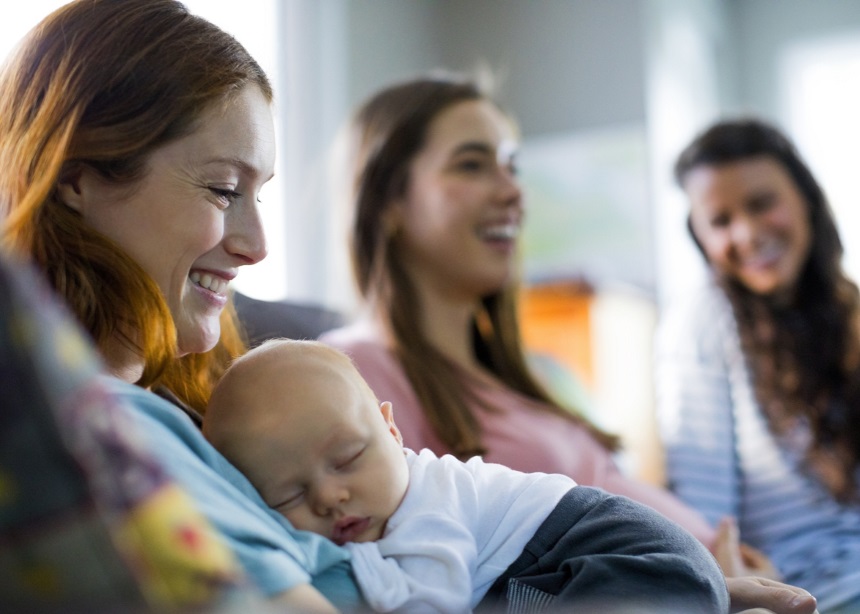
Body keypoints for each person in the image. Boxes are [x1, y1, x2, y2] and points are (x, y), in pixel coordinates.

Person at [319, 74, 819, 614]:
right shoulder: (351, 373)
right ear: (387, 200)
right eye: (471, 163)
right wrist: (710, 589)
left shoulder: (540, 377)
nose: (513, 191)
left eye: (512, 166)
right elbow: (405, 577)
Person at [0, 1, 361, 611]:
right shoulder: (102, 433)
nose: (257, 247)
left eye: (258, 195)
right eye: (224, 190)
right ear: (75, 179)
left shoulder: (203, 412)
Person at [203, 337, 730, 613]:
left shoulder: (425, 501)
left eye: (347, 459)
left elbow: (438, 598)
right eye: (288, 495)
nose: (330, 497)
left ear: (392, 430)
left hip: (611, 549)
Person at [656, 117, 860, 614]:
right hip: (815, 590)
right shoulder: (702, 321)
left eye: (762, 203)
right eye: (720, 221)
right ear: (699, 236)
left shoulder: (847, 307)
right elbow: (707, 520)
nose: (746, 233)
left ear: (806, 200)